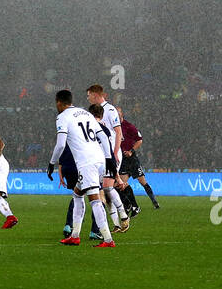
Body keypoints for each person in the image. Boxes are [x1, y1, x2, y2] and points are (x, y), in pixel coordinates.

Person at [50, 90, 115, 247]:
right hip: (99, 160)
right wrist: (109, 158)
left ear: (59, 102)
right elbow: (104, 137)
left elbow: (60, 144)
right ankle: (75, 235)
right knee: (78, 194)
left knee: (94, 200)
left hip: (87, 163)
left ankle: (108, 239)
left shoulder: (62, 117)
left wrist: (52, 162)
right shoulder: (86, 114)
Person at [88, 102, 128, 233]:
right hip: (99, 160)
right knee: (104, 191)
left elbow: (115, 138)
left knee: (107, 187)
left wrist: (115, 156)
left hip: (108, 158)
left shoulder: (103, 129)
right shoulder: (95, 128)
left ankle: (123, 214)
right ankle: (116, 224)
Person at [116, 117, 159, 212]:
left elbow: (139, 140)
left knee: (142, 182)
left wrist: (131, 151)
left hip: (132, 160)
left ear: (121, 115)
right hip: (122, 160)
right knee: (121, 185)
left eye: (118, 115)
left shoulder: (129, 126)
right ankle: (129, 206)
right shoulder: (114, 127)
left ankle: (154, 202)